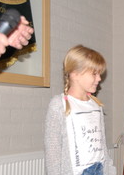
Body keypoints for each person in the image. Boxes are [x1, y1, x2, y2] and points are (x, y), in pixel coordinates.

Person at [44, 45, 116, 175]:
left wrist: (110, 170)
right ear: (75, 74)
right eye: (94, 73)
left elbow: (102, 146)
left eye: (99, 73)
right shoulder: (58, 105)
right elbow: (53, 153)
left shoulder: (96, 105)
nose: (99, 79)